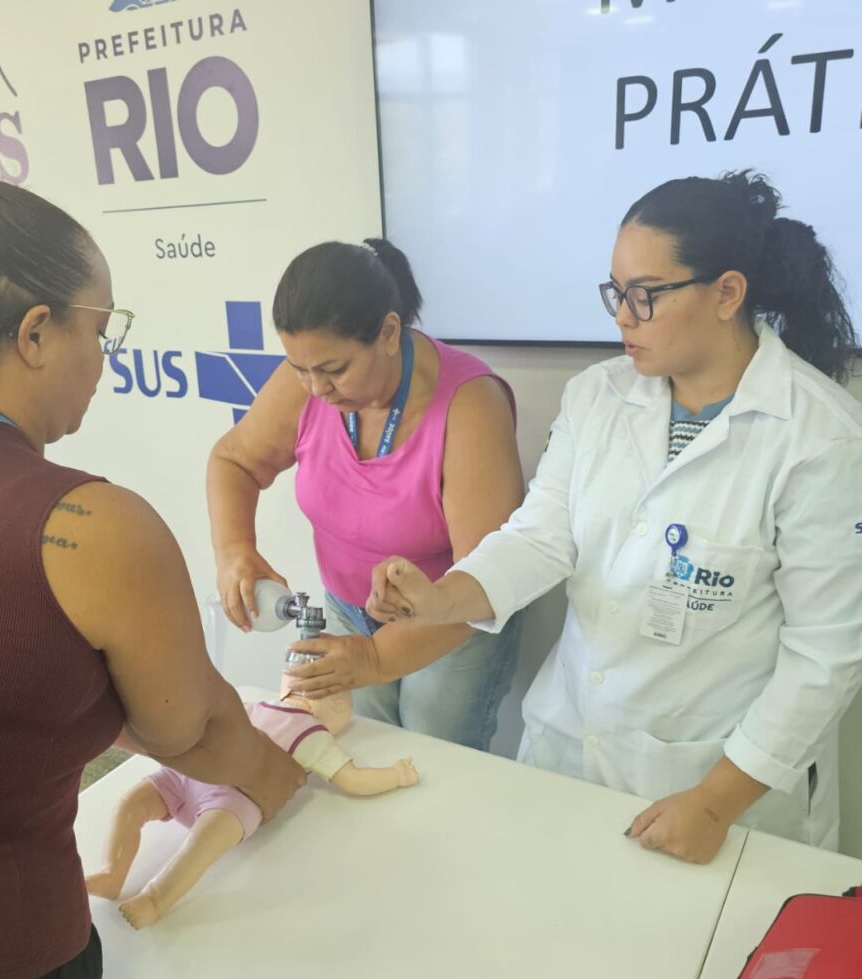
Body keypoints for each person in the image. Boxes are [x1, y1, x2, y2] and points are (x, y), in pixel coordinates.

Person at [0, 159, 303, 979]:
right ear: (36, 334)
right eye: (102, 327)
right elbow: (193, 731)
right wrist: (288, 780)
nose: (104, 359)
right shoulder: (92, 528)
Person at [364, 171, 862, 863]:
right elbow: (539, 537)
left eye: (645, 295)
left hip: (714, 787)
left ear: (727, 293)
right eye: (616, 292)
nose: (622, 316)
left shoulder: (821, 437)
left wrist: (715, 802)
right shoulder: (596, 396)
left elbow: (825, 656)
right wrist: (441, 598)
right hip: (571, 750)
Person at [206, 239, 524, 751]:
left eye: (334, 370)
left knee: (436, 760)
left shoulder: (471, 406)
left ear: (389, 333)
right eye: (299, 368)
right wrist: (235, 552)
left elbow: (487, 579)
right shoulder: (308, 381)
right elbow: (234, 461)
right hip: (346, 609)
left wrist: (374, 659)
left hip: (450, 624)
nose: (316, 388)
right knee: (359, 748)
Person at [86, 682, 419, 930]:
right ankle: (112, 873)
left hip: (237, 796)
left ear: (337, 711)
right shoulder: (252, 704)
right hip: (189, 772)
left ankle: (155, 898)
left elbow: (354, 780)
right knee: (130, 804)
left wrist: (395, 775)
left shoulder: (313, 734)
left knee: (199, 847)